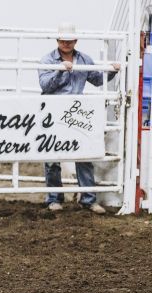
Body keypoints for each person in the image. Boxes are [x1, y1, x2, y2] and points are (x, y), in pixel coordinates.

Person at [38, 22, 121, 214]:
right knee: (52, 157)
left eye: (69, 40)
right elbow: (45, 86)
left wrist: (112, 71)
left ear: (75, 40)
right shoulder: (48, 60)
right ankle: (54, 198)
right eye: (63, 40)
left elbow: (97, 79)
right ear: (58, 40)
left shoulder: (84, 59)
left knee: (83, 154)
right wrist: (60, 70)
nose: (66, 43)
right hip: (53, 112)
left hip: (76, 113)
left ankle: (87, 199)